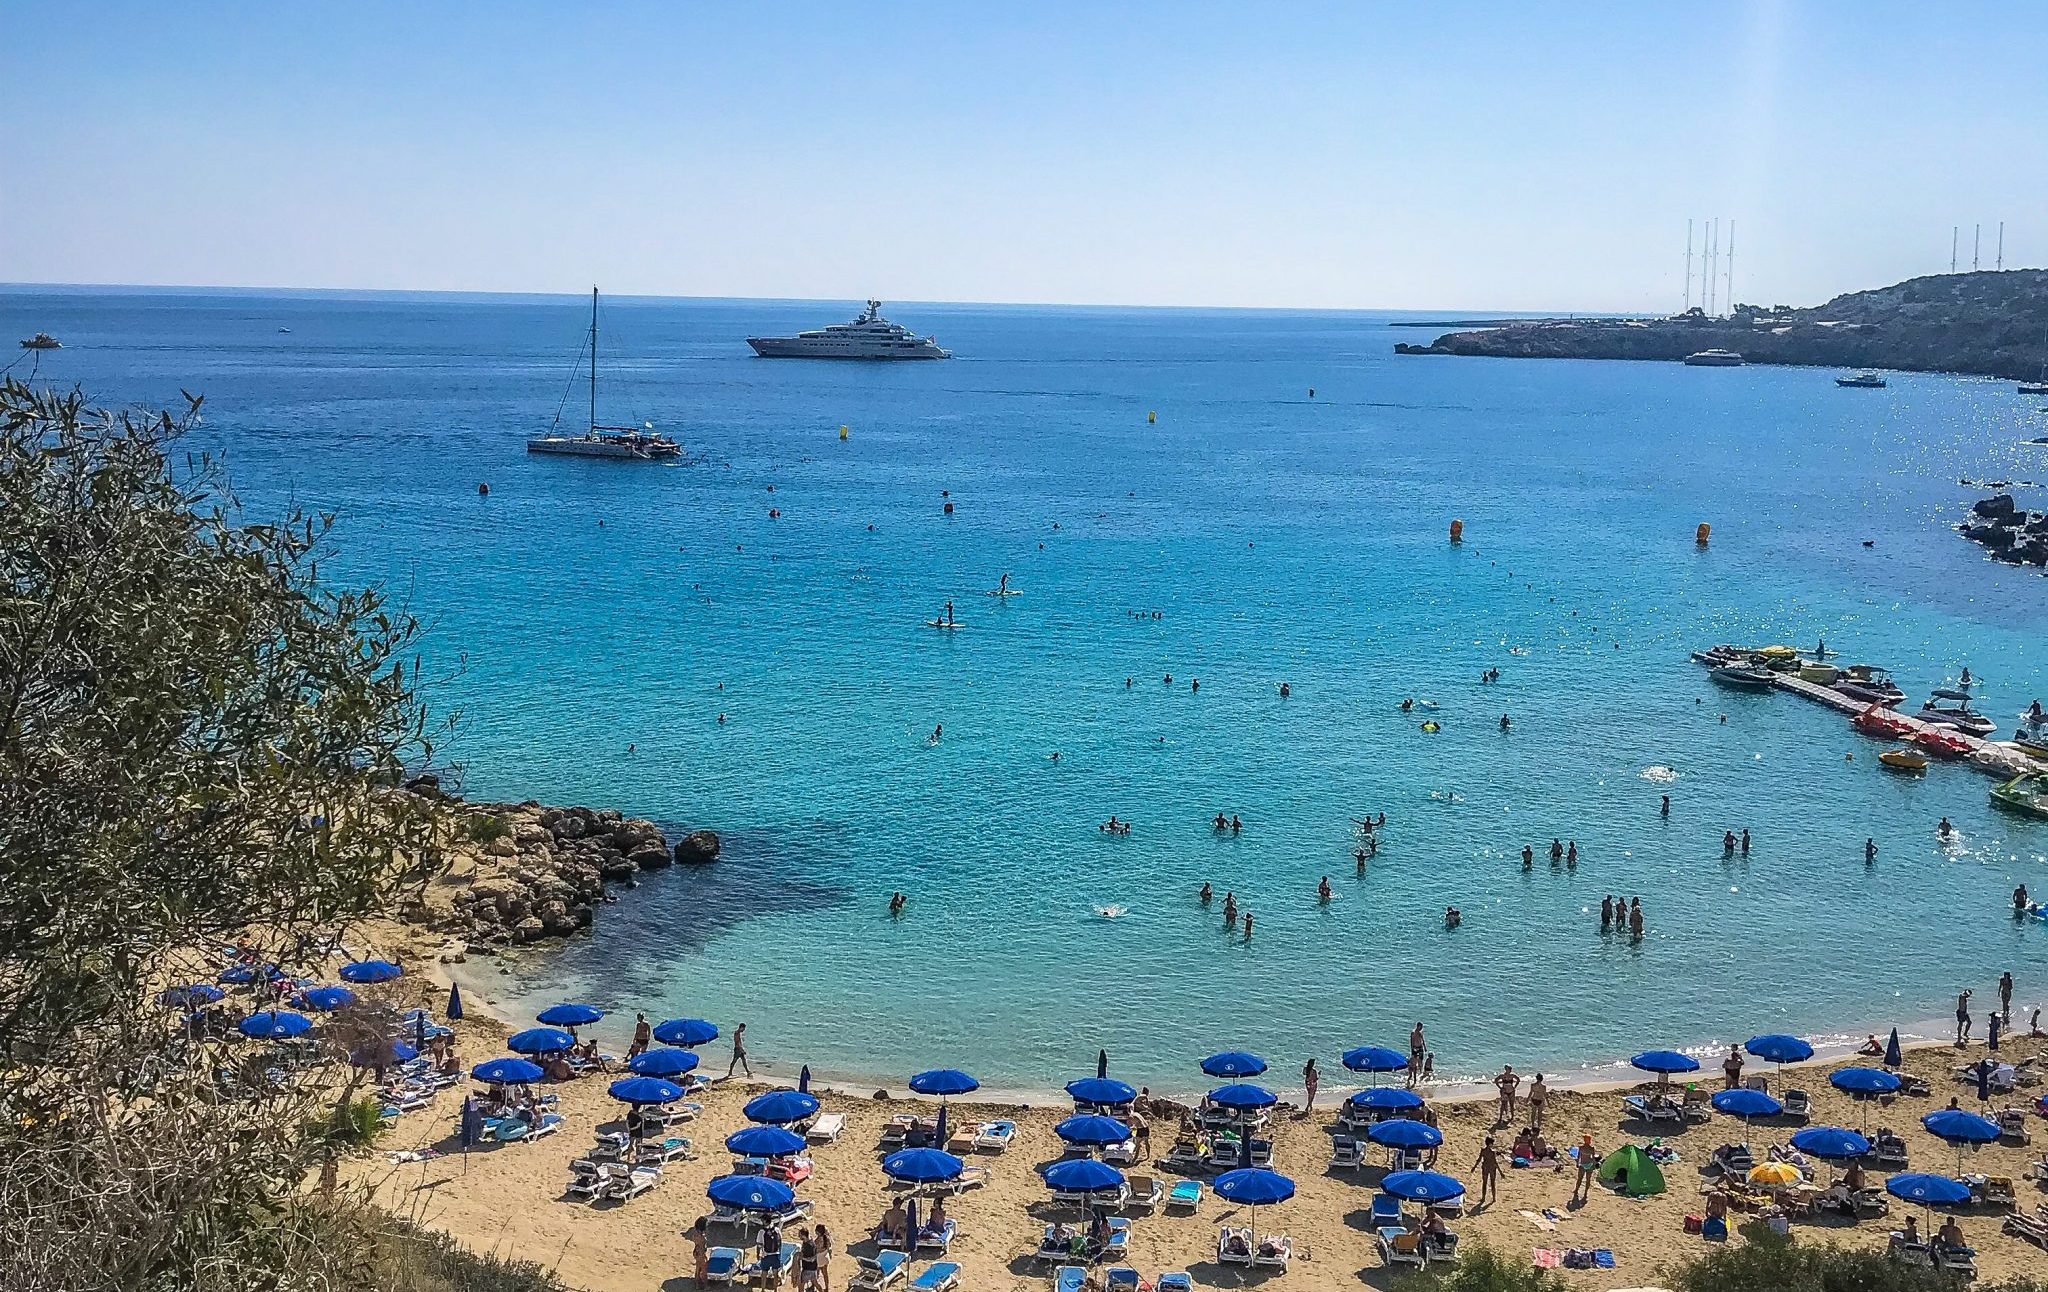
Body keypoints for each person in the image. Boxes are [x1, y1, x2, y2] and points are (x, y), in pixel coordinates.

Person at [1474, 1135, 1502, 1205]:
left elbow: (1479, 1160)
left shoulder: (1483, 1151)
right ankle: (1494, 1198)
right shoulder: (1492, 1152)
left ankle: (1483, 1198)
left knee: (1484, 1183)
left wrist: (1474, 1167)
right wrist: (1500, 1172)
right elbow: (1495, 1162)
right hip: (1492, 1168)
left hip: (1485, 1167)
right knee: (1492, 1183)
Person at [1571, 1134, 1598, 1204]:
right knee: (1587, 1179)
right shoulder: (1591, 1148)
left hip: (1583, 1164)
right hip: (1589, 1164)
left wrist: (1577, 1163)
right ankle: (1585, 1193)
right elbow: (1593, 1158)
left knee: (1580, 1179)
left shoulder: (1581, 1148)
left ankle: (1576, 1190)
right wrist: (1594, 1165)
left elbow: (1578, 1157)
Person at [691, 1219, 711, 1287]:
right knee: (704, 1270)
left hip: (696, 1252)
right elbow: (703, 1247)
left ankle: (697, 1285)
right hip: (701, 1253)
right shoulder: (702, 1237)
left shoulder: (695, 1234)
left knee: (697, 1268)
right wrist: (704, 1256)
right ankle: (705, 1286)